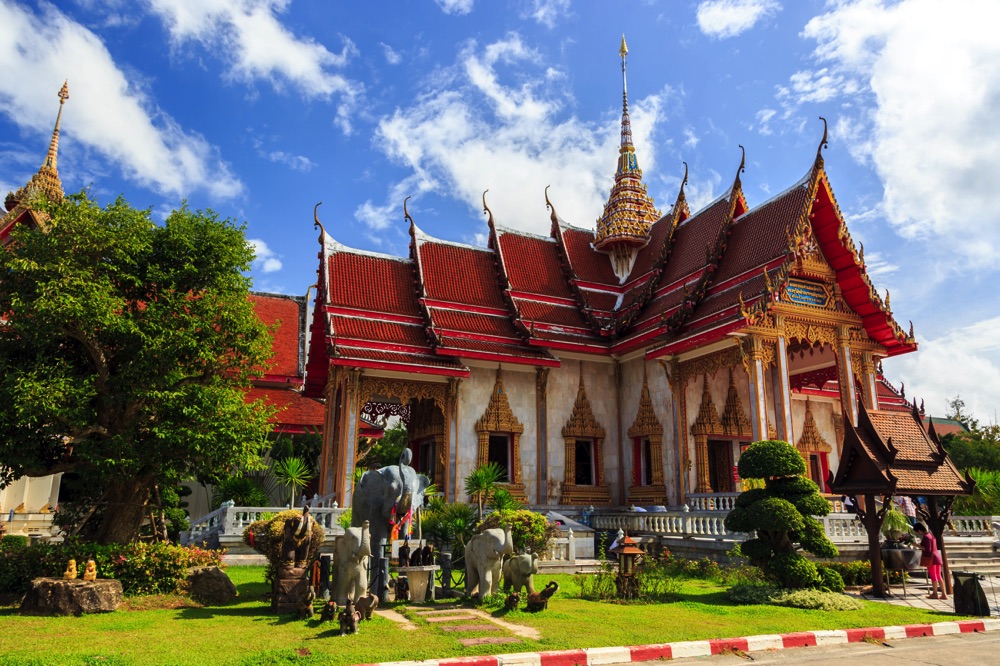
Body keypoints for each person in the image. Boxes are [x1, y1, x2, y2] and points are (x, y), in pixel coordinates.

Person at [914, 523, 946, 600]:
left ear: (919, 530)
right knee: (939, 576)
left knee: (933, 576)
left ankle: (935, 593)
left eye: (917, 532)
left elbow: (928, 549)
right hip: (937, 557)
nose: (918, 534)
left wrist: (916, 545)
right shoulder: (931, 535)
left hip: (931, 559)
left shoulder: (926, 537)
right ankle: (944, 594)